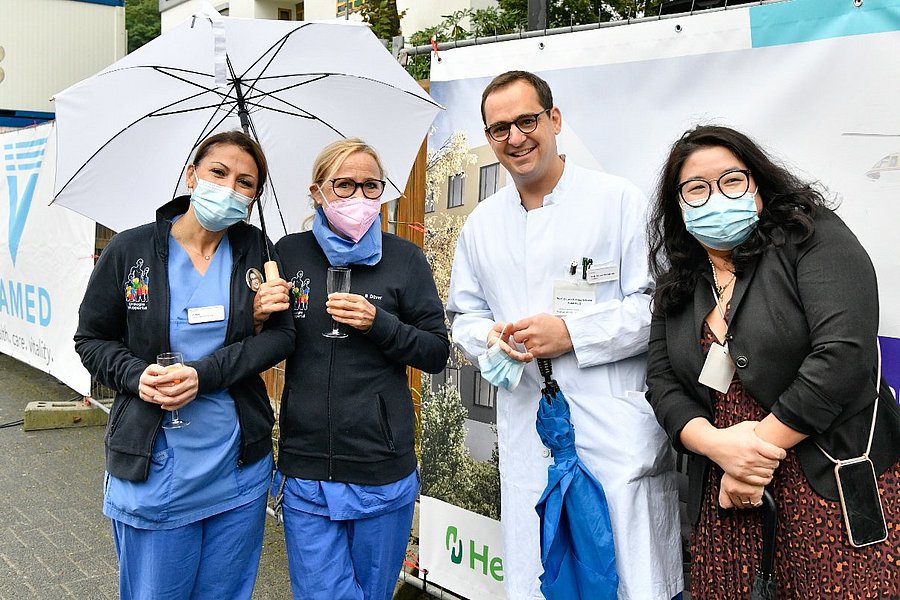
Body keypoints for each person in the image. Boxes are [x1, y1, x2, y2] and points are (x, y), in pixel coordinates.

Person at [446, 70, 683, 599]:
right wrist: (491, 339)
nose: (515, 137)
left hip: (612, 424)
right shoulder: (482, 225)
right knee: (539, 571)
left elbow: (657, 307)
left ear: (554, 120)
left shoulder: (618, 201)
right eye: (499, 128)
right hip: (529, 421)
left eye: (526, 120)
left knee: (630, 576)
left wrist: (572, 334)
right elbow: (464, 315)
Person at [645, 125, 900, 598]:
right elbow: (661, 384)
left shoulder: (812, 237)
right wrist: (718, 448)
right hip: (727, 502)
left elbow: (843, 355)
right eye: (696, 188)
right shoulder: (679, 282)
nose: (717, 197)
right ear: (678, 206)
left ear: (757, 183)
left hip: (825, 488)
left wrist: (751, 458)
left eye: (732, 181)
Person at [74, 131, 295, 600]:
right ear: (192, 174)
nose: (230, 188)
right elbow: (91, 340)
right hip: (156, 468)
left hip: (237, 465)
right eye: (219, 173)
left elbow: (281, 337)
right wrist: (137, 376)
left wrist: (247, 330)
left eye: (245, 183)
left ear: (254, 198)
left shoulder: (257, 250)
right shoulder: (130, 252)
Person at [255, 138, 450, 600]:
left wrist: (379, 323)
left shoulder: (405, 259)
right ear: (318, 192)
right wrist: (259, 315)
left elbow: (435, 352)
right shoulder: (289, 253)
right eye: (344, 185)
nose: (359, 198)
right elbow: (268, 345)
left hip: (380, 467)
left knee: (373, 593)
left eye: (370, 186)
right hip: (307, 467)